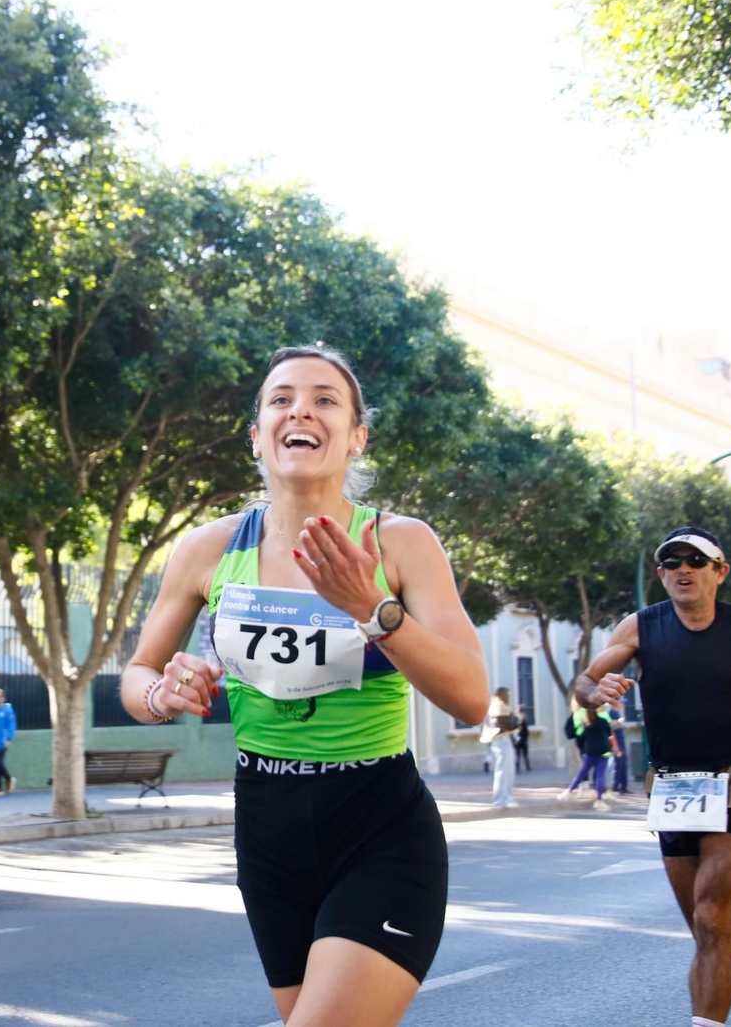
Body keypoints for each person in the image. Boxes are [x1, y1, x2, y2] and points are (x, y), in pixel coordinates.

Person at [118, 345, 489, 1027]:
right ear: (258, 434)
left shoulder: (400, 543)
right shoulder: (207, 549)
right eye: (281, 399)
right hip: (267, 825)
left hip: (378, 821)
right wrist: (160, 694)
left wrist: (370, 609)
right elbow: (138, 673)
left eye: (326, 399)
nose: (302, 410)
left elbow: (470, 695)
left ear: (356, 436)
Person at [576, 525, 731, 1027]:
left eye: (695, 560)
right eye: (671, 562)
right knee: (705, 923)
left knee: (710, 916)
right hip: (672, 788)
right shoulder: (640, 627)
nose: (682, 569)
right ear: (662, 575)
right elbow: (586, 680)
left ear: (720, 572)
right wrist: (593, 692)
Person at [560, 704, 619, 810]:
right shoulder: (603, 721)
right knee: (600, 775)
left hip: (590, 751)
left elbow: (581, 736)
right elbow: (609, 733)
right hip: (604, 751)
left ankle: (568, 792)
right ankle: (599, 800)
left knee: (581, 774)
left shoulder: (586, 724)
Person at [480, 686, 520, 807]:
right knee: (502, 771)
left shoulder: (504, 708)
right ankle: (499, 799)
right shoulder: (498, 708)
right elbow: (510, 724)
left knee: (509, 770)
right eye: (507, 694)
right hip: (500, 741)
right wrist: (516, 716)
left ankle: (507, 797)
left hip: (505, 739)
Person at [608, 696, 630, 796]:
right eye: (621, 702)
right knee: (618, 765)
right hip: (617, 743)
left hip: (621, 741)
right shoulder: (611, 714)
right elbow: (611, 729)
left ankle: (623, 787)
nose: (622, 704)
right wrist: (619, 722)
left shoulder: (616, 713)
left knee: (623, 764)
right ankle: (615, 787)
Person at [514, 707, 532, 772]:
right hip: (519, 740)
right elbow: (525, 731)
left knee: (523, 755)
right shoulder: (519, 721)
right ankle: (518, 768)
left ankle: (525, 767)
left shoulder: (519, 721)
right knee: (519, 755)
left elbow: (526, 731)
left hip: (521, 740)